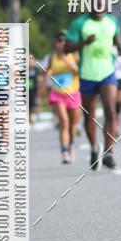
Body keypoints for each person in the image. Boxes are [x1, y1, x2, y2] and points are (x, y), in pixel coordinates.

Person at [65, 0, 121, 170]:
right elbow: (67, 47)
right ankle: (94, 147)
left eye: (102, 4)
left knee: (111, 112)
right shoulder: (79, 23)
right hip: (87, 74)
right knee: (89, 115)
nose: (99, 7)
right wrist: (84, 43)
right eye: (95, 4)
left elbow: (116, 37)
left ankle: (109, 153)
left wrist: (119, 45)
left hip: (107, 73)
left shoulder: (112, 20)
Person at [42, 31, 82, 163]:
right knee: (64, 121)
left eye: (63, 40)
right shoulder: (52, 57)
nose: (61, 43)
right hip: (57, 93)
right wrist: (43, 84)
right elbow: (48, 72)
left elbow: (78, 72)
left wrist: (67, 60)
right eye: (59, 40)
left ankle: (71, 146)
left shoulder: (74, 55)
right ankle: (64, 151)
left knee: (72, 125)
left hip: (73, 93)